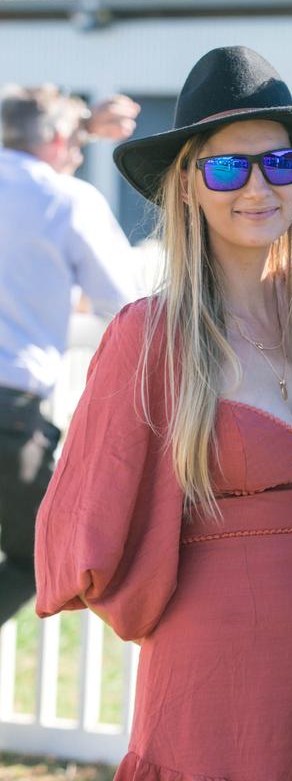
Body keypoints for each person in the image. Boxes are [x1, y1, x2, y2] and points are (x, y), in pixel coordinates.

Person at [35, 46, 292, 781]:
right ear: (187, 186)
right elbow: (76, 526)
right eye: (226, 168)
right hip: (215, 658)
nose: (257, 187)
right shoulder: (151, 337)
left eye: (280, 164)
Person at [0, 85, 141, 626]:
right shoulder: (65, 199)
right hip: (11, 411)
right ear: (59, 138)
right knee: (38, 557)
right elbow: (124, 303)